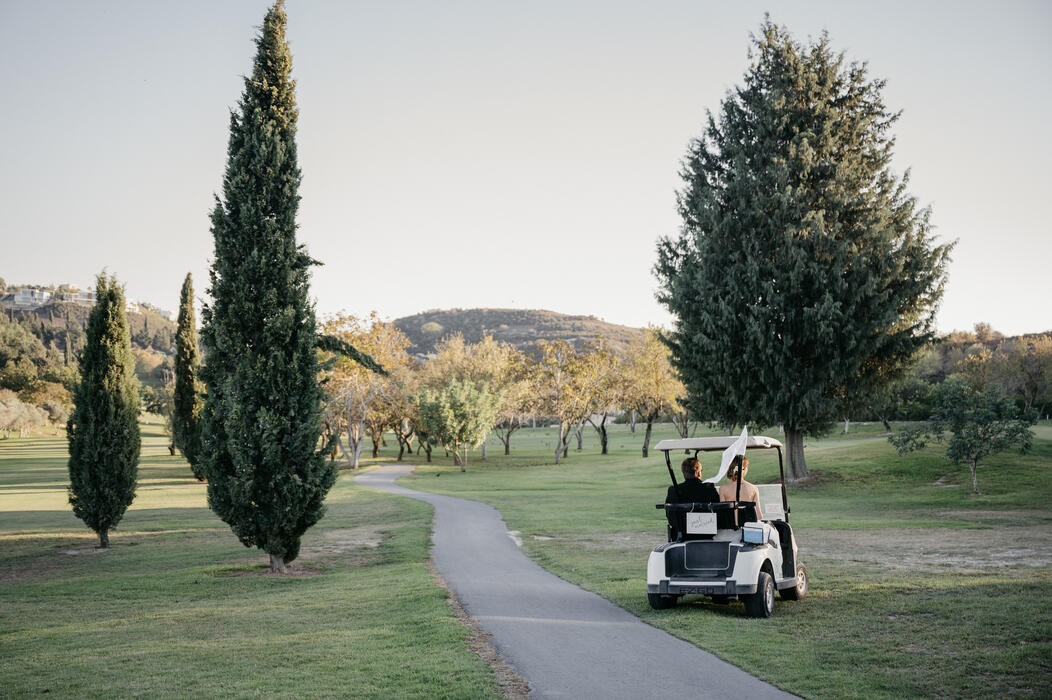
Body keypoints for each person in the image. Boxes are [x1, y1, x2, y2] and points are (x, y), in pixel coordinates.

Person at [718, 457, 763, 521]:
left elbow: (723, 514)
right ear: (744, 469)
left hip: (730, 528)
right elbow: (759, 516)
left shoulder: (723, 489)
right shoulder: (754, 488)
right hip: (748, 527)